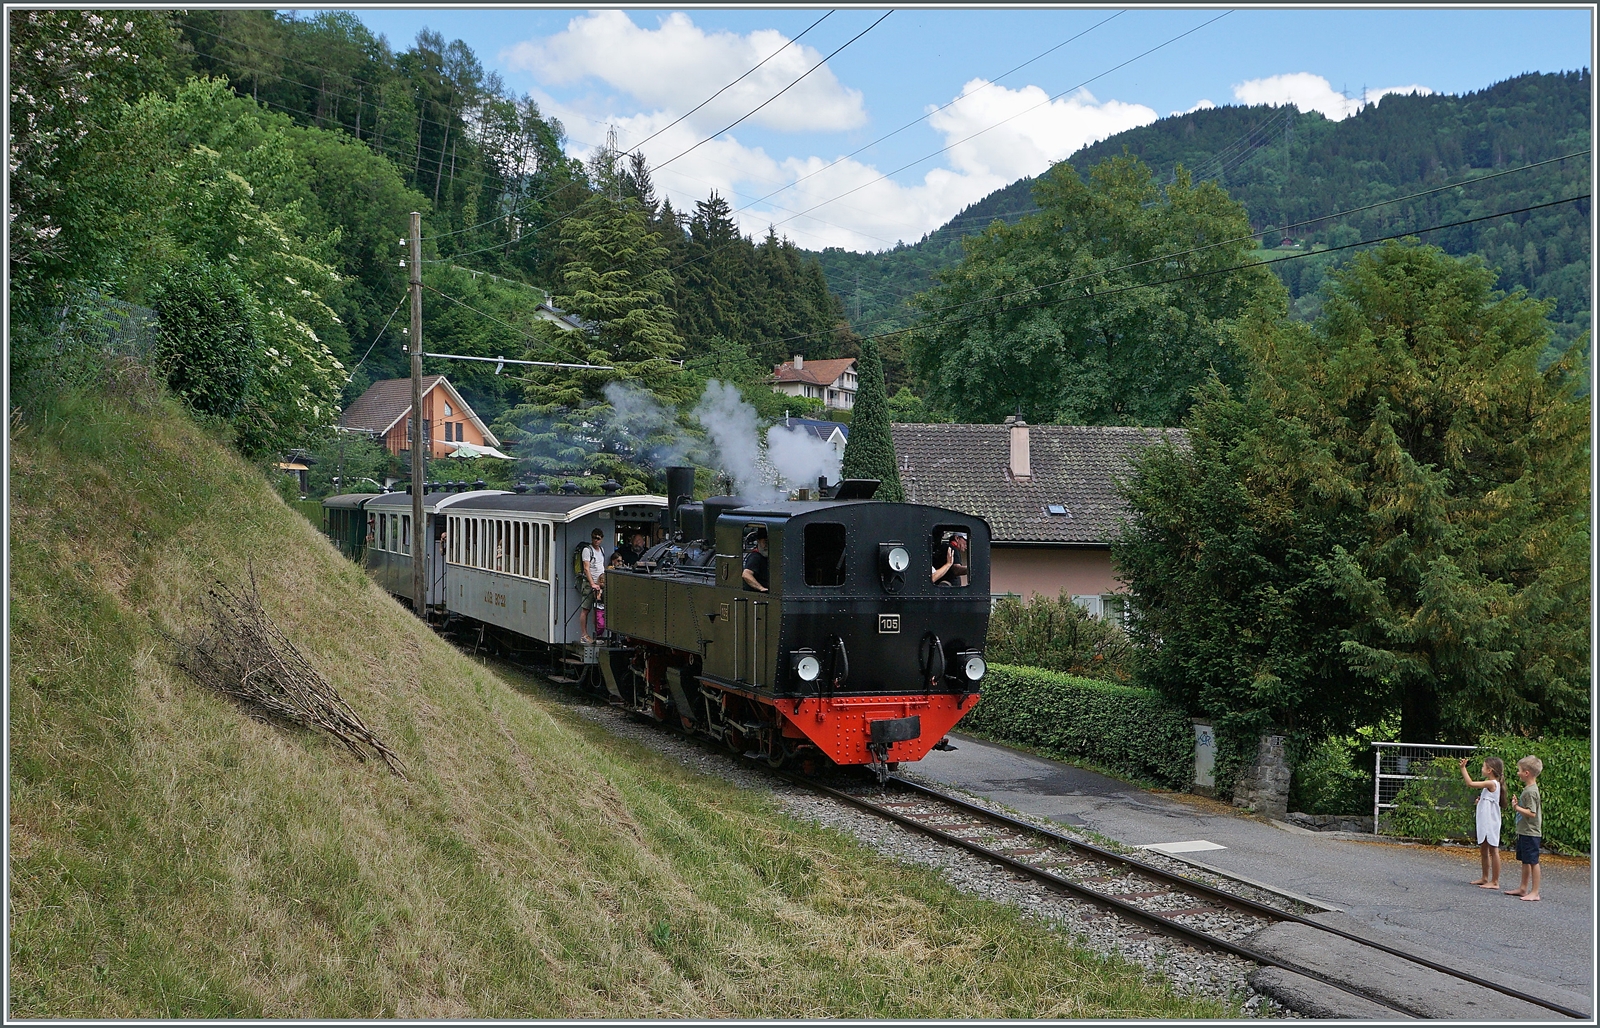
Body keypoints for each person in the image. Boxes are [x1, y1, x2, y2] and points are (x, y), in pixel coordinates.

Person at [1459, 755, 1506, 889]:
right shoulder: (1490, 785)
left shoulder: (1491, 783)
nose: (1482, 768)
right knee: (1484, 849)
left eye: (1483, 766)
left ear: (1490, 770)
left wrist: (1463, 768)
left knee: (1493, 849)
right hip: (1485, 821)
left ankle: (1495, 881)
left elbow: (1470, 783)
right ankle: (1485, 877)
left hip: (1490, 822)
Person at [1504, 755, 1544, 901]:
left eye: (1519, 770)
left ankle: (1535, 892)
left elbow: (1532, 813)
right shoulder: (1529, 789)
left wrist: (1516, 807)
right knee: (1525, 860)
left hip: (1530, 832)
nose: (1518, 773)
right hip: (1524, 831)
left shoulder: (1531, 792)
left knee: (1533, 861)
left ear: (1527, 773)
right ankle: (1523, 888)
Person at [580, 528, 606, 643]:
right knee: (586, 609)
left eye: (598, 538)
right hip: (590, 584)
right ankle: (584, 635)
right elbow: (586, 568)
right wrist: (592, 584)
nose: (596, 540)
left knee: (598, 610)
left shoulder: (602, 550)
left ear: (602, 539)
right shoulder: (587, 550)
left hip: (600, 585)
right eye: (594, 538)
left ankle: (598, 635)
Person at [741, 527, 769, 592]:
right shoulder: (755, 557)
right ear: (758, 541)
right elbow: (746, 574)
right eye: (765, 542)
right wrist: (761, 588)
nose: (766, 545)